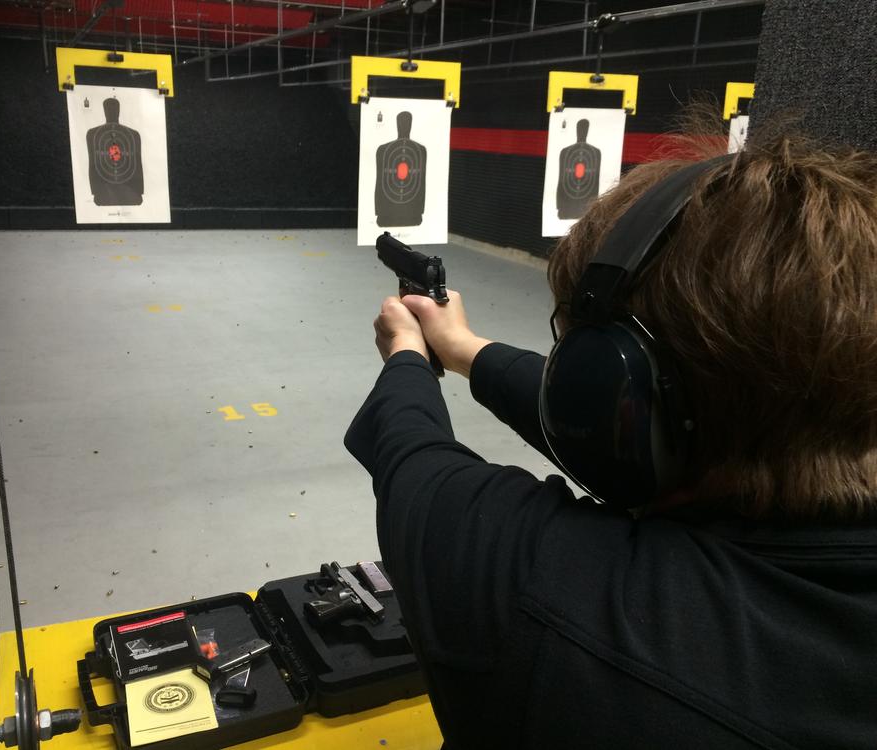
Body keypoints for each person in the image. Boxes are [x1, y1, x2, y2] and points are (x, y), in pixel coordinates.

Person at [344, 130, 877, 749]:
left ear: (600, 387)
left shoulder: (540, 591)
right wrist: (464, 349)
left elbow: (415, 461)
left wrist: (407, 355)